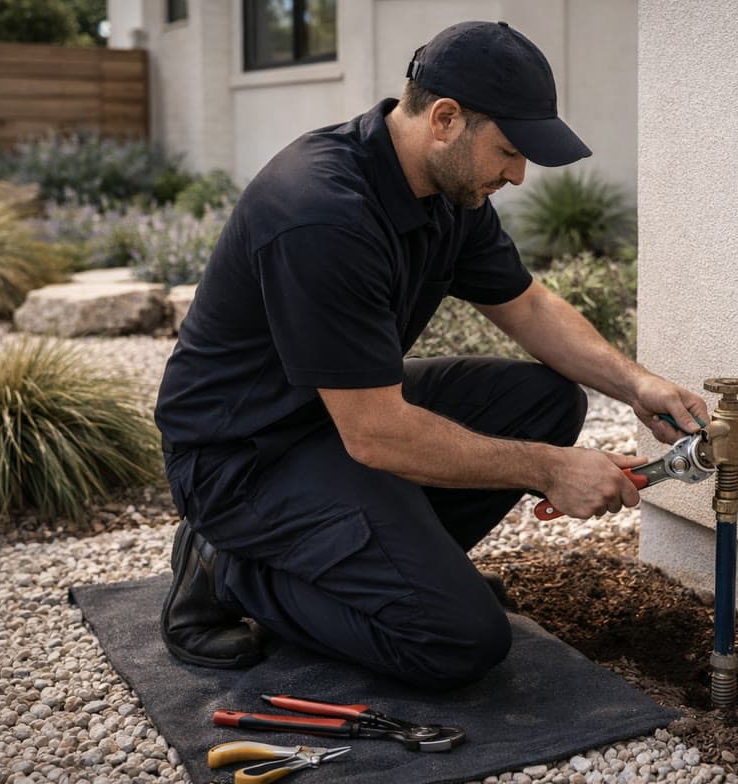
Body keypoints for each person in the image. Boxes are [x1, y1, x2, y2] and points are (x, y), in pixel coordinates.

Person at [154, 20, 709, 689]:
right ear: (445, 118)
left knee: (545, 402)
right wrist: (551, 468)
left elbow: (527, 306)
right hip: (243, 454)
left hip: (330, 418)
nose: (520, 175)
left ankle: (399, 573)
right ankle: (234, 568)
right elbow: (377, 434)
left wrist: (637, 385)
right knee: (457, 641)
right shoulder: (321, 212)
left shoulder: (450, 192)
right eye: (508, 150)